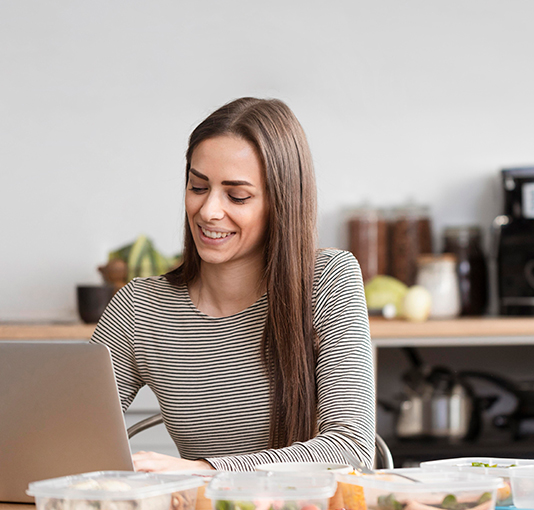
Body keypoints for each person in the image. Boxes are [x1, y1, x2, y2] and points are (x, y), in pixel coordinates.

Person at [91, 97, 375, 472]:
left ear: (281, 203)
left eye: (237, 195)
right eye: (198, 187)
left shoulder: (327, 279)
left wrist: (205, 470)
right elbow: (65, 433)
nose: (209, 211)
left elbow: (352, 451)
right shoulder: (140, 306)